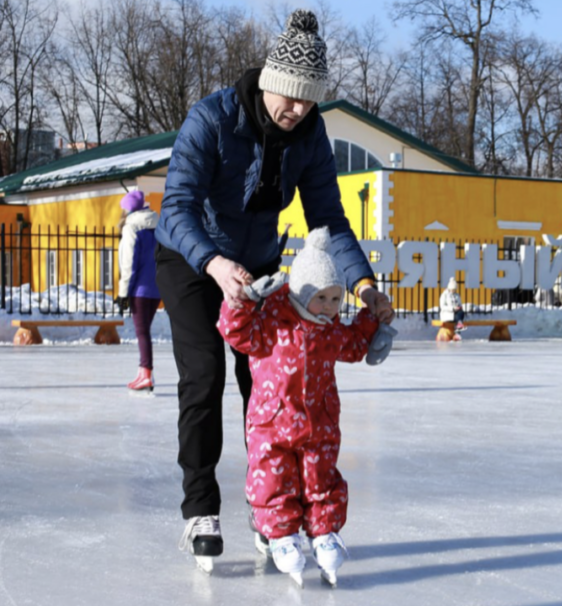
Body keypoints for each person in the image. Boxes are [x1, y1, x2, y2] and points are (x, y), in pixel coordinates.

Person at [155, 9, 394, 572]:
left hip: (259, 267)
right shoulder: (211, 119)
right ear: (269, 82)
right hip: (192, 262)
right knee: (205, 375)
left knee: (267, 386)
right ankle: (200, 509)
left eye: (309, 101)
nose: (298, 110)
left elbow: (330, 220)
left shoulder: (310, 136)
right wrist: (213, 263)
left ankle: (272, 509)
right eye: (291, 98)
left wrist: (363, 285)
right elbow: (177, 207)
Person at [217, 228, 385, 587]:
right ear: (300, 293)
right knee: (274, 481)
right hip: (272, 425)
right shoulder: (272, 325)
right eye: (320, 297)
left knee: (321, 480)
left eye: (335, 298)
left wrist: (372, 317)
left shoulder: (332, 330)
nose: (327, 306)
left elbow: (355, 345)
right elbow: (235, 331)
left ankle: (324, 533)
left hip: (319, 426)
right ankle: (281, 535)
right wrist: (242, 301)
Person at [116, 190, 161, 391]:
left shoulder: (131, 228)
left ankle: (146, 374)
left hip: (139, 290)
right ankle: (142, 371)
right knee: (144, 331)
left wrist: (123, 293)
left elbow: (129, 264)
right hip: (156, 287)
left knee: (142, 332)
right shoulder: (157, 225)